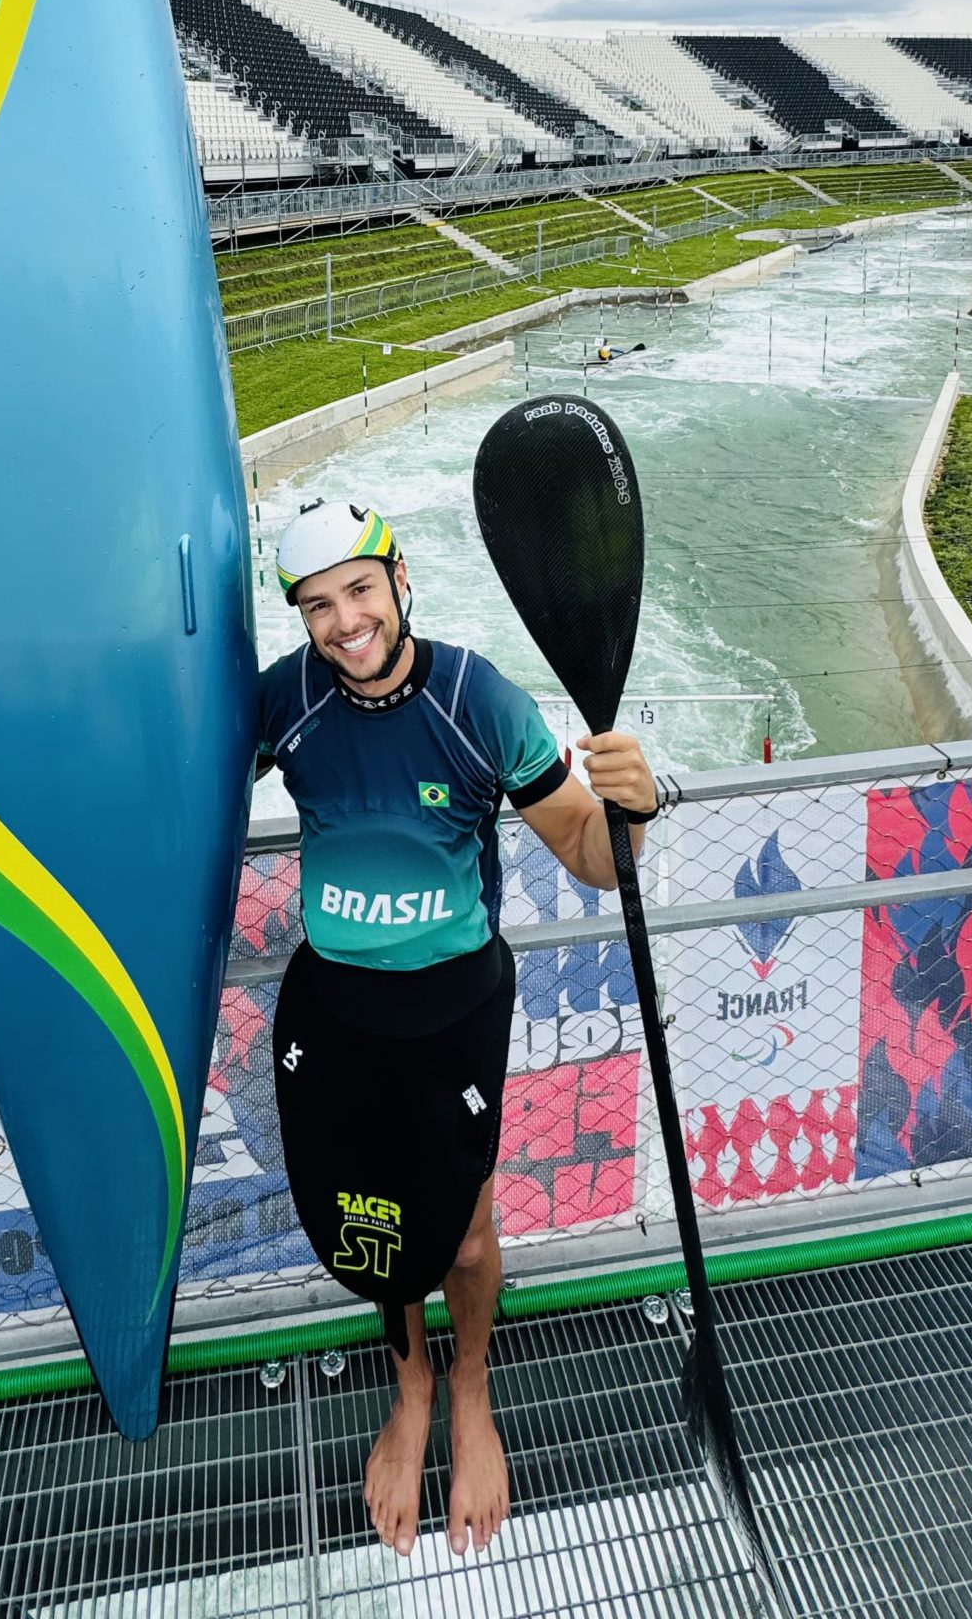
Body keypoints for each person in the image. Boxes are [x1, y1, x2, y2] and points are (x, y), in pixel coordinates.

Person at [257, 498, 657, 1560]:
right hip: (334, 1006)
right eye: (316, 604)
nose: (344, 621)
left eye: (358, 590)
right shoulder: (286, 699)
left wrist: (632, 813)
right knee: (371, 1222)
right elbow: (179, 786)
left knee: (467, 1234)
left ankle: (470, 1389)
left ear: (398, 581)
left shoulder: (476, 698)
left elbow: (590, 855)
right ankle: (413, 1387)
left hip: (451, 1011)